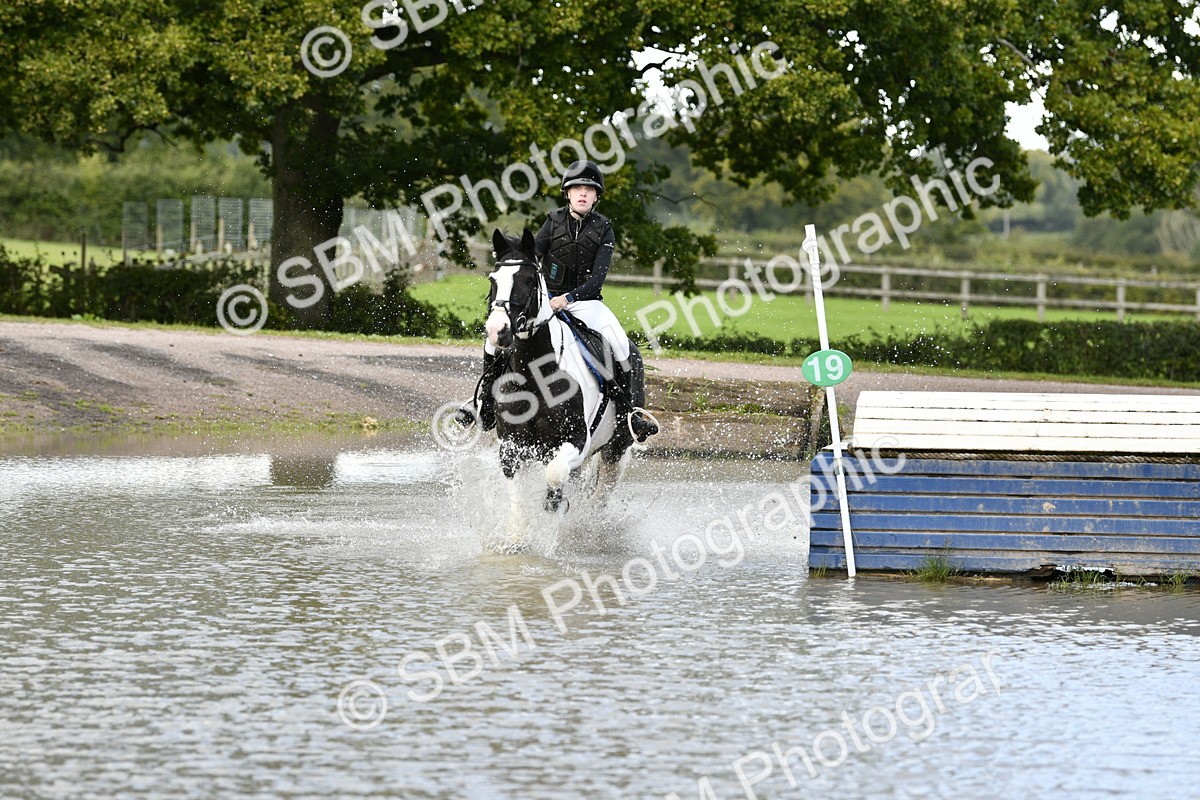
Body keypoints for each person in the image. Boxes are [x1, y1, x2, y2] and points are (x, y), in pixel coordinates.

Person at [457, 159, 658, 442]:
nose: (583, 193)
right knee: (494, 340)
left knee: (621, 344)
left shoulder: (604, 228)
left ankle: (630, 414)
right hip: (548, 299)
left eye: (589, 189)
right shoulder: (553, 221)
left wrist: (569, 298)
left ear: (596, 196)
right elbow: (533, 257)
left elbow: (598, 278)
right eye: (577, 188)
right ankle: (483, 403)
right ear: (568, 193)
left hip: (586, 301)